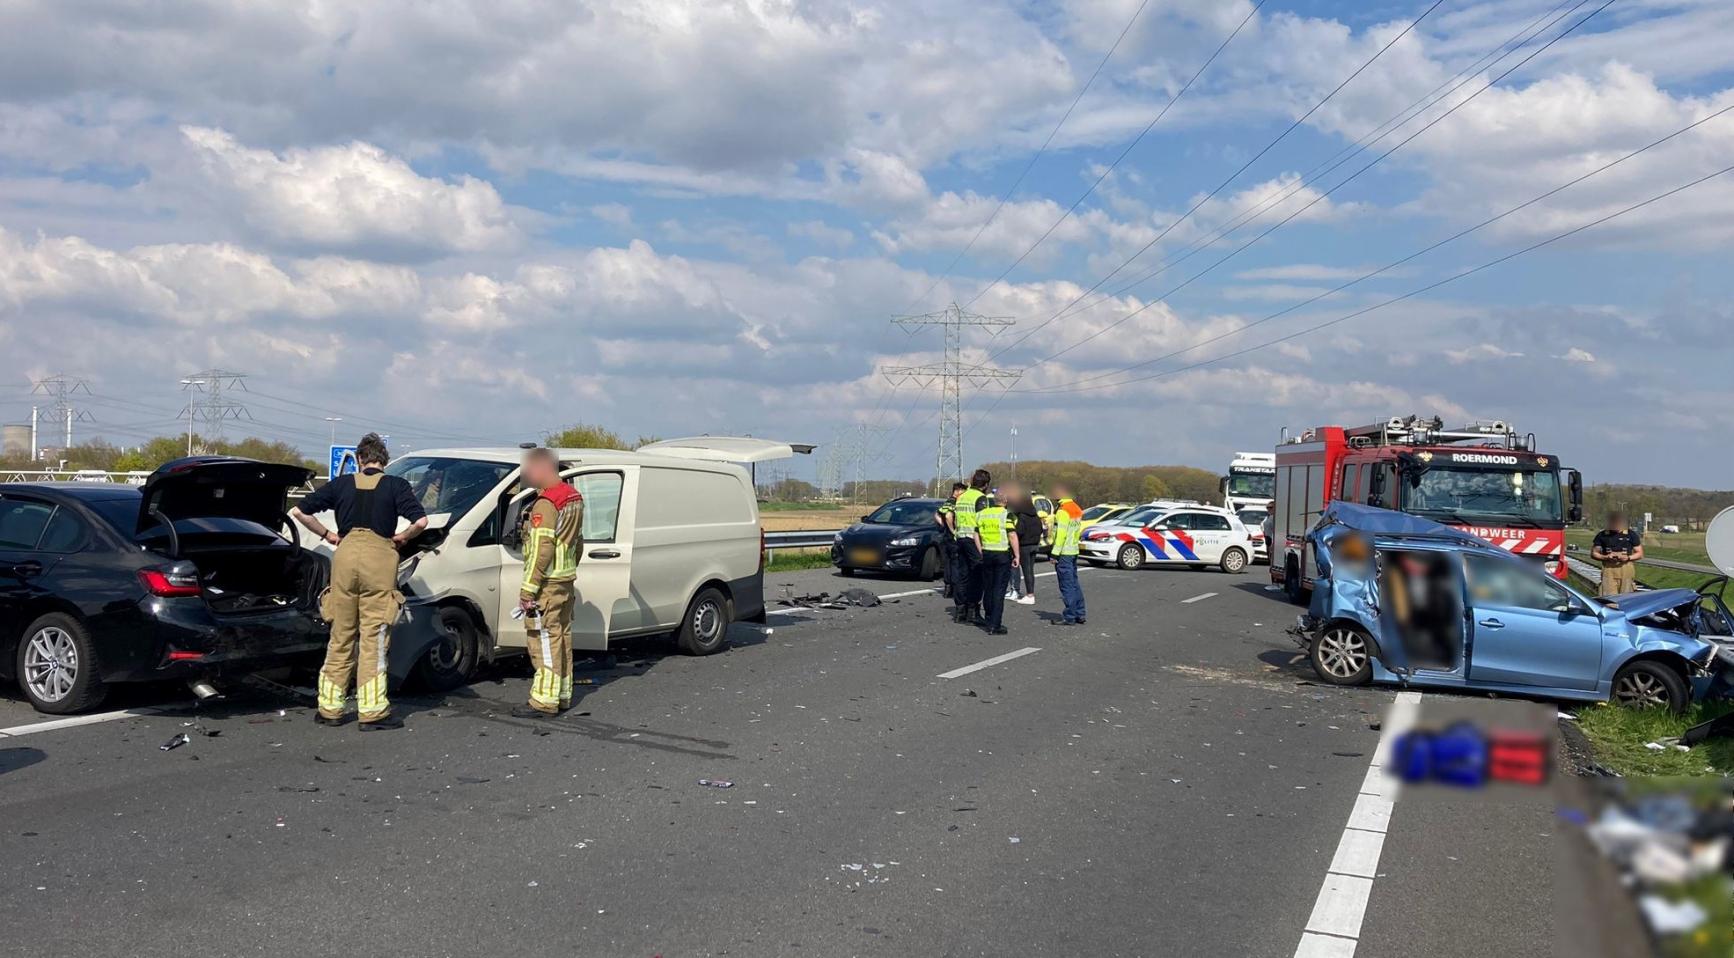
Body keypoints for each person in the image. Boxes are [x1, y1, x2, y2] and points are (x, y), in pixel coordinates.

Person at [290, 433, 428, 730]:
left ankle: (329, 708)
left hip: (346, 555)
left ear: (360, 459)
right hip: (379, 557)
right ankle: (372, 712)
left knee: (341, 634)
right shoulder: (395, 485)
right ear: (384, 461)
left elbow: (299, 511)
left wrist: (328, 536)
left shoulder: (342, 484)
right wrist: (402, 538)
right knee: (374, 638)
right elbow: (421, 522)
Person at [512, 447, 585, 718]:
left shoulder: (546, 503)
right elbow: (578, 542)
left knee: (543, 639)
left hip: (547, 583)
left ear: (543, 468)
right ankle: (562, 694)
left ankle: (544, 700)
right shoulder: (573, 497)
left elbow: (541, 549)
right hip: (565, 579)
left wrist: (528, 589)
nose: (526, 474)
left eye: (529, 469)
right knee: (562, 637)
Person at [975, 488, 1020, 635]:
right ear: (1006, 501)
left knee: (988, 587)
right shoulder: (1006, 515)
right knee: (999, 590)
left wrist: (980, 549)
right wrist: (1017, 555)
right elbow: (1012, 535)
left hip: (987, 553)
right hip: (1002, 554)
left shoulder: (982, 514)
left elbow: (975, 533)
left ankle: (988, 618)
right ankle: (995, 625)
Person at [951, 469, 990, 624]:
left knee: (962, 575)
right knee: (977, 575)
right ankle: (973, 611)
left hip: (959, 538)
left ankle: (960, 610)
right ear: (986, 485)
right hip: (973, 540)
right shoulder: (980, 498)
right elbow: (983, 521)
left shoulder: (962, 496)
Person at [1051, 485, 1086, 625]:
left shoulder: (1063, 511)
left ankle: (1069, 616)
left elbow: (1061, 534)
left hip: (1064, 552)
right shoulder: (1076, 508)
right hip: (1073, 550)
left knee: (1066, 585)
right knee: (1074, 584)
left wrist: (1054, 553)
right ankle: (1080, 613)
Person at [1592, 511, 1643, 597]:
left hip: (1626, 567)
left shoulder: (1631, 535)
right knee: (1608, 597)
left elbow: (1640, 553)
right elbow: (1594, 553)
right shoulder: (1602, 535)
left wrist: (1628, 558)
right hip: (1609, 569)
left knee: (1627, 596)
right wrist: (1605, 557)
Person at [1007, 487, 1042, 605]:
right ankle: (1030, 593)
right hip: (1034, 544)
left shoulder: (1022, 515)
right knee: (1030, 570)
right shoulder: (1034, 514)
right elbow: (1041, 529)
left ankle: (1030, 595)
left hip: (1024, 545)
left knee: (1026, 570)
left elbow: (1019, 531)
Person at [936, 482, 965, 599]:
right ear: (957, 491)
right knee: (955, 563)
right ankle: (954, 588)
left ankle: (947, 587)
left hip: (945, 537)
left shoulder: (947, 501)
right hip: (952, 538)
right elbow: (948, 516)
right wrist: (953, 530)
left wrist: (943, 526)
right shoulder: (954, 502)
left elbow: (937, 514)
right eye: (962, 492)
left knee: (947, 562)